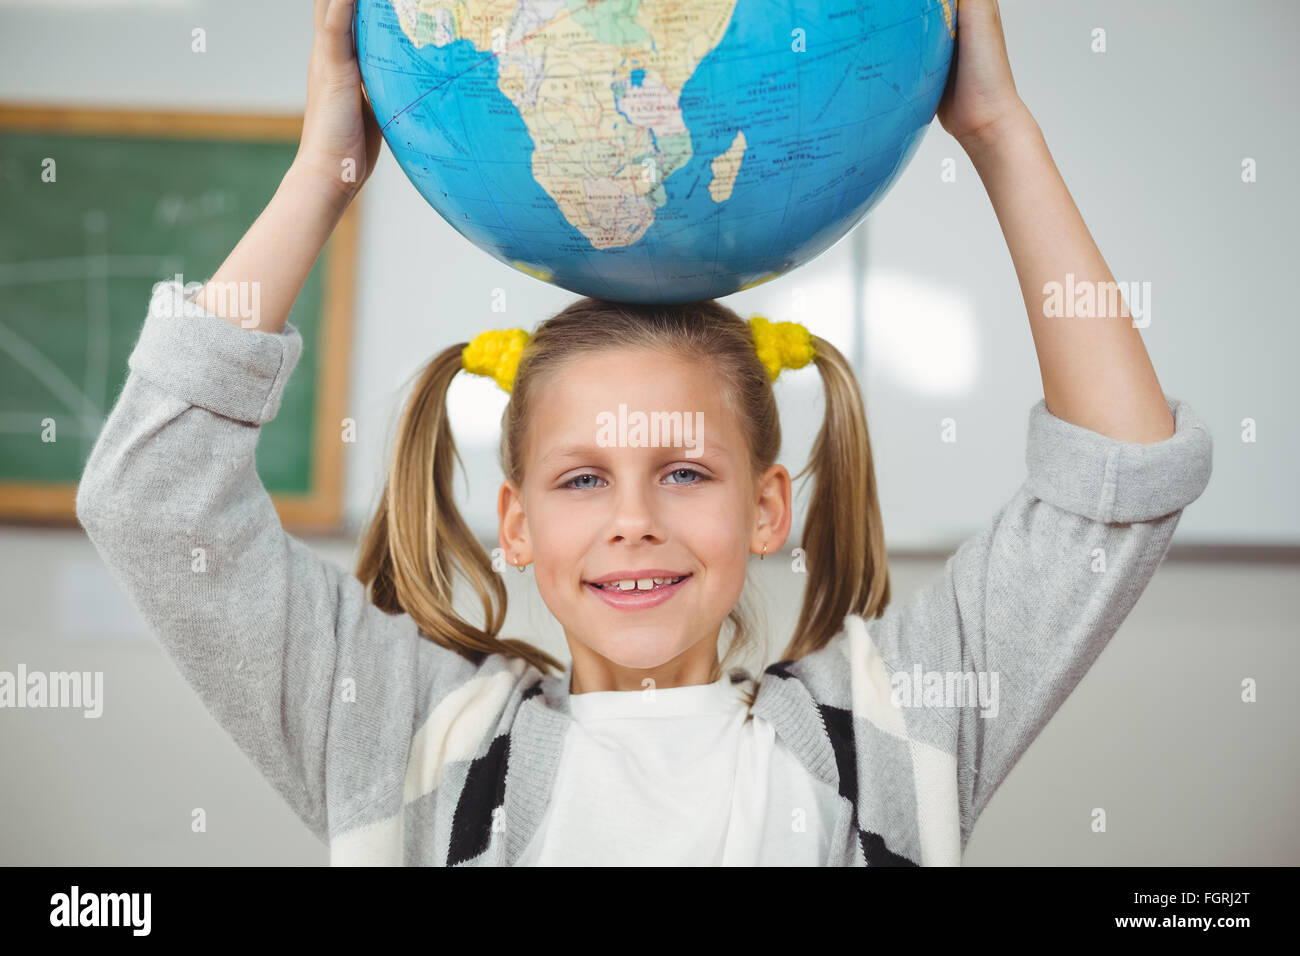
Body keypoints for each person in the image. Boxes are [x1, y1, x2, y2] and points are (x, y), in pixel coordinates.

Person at [76, 0, 1213, 865]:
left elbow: (1118, 477)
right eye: (581, 478)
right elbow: (150, 492)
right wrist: (324, 173)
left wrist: (999, 130)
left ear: (768, 505)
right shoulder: (403, 736)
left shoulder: (893, 732)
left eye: (682, 468)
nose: (633, 521)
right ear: (512, 520)